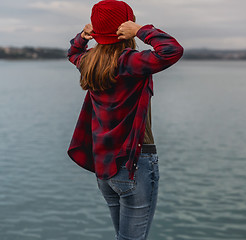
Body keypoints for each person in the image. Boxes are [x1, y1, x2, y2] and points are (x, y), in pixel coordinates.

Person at [67, 0, 183, 239]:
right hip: (134, 165)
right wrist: (141, 30)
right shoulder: (130, 62)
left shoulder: (89, 62)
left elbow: (73, 53)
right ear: (125, 25)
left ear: (97, 30)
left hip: (104, 170)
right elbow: (172, 50)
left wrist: (83, 36)